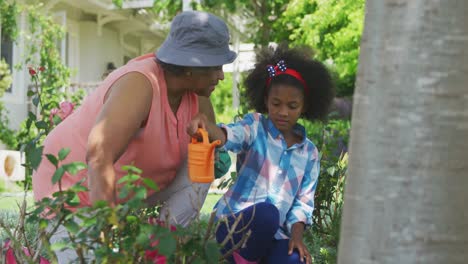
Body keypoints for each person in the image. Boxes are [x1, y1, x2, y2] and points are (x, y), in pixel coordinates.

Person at [32, 10, 236, 262]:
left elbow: (208, 161)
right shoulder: (140, 84)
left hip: (129, 187)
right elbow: (98, 158)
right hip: (71, 188)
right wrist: (107, 242)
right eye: (215, 66)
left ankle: (159, 247)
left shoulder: (198, 98)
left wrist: (216, 145)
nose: (221, 75)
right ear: (190, 67)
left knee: (202, 164)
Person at [187, 45, 335, 264]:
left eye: (292, 106)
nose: (283, 112)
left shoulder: (309, 153)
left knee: (296, 259)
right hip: (232, 229)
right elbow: (231, 135)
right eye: (276, 104)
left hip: (273, 236)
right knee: (268, 214)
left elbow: (303, 204)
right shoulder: (255, 127)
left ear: (304, 106)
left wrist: (296, 239)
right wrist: (209, 128)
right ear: (266, 100)